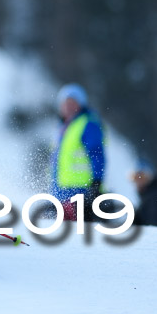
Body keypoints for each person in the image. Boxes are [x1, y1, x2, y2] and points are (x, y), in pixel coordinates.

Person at [50, 83, 105, 220]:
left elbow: (97, 154)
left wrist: (97, 182)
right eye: (65, 103)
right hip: (61, 193)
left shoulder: (88, 124)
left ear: (80, 104)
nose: (68, 106)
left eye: (72, 102)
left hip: (82, 193)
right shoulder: (64, 128)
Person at [130, 159, 157, 227]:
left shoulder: (156, 197)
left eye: (142, 177)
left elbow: (154, 226)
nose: (139, 182)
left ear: (149, 178)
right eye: (135, 178)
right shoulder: (147, 197)